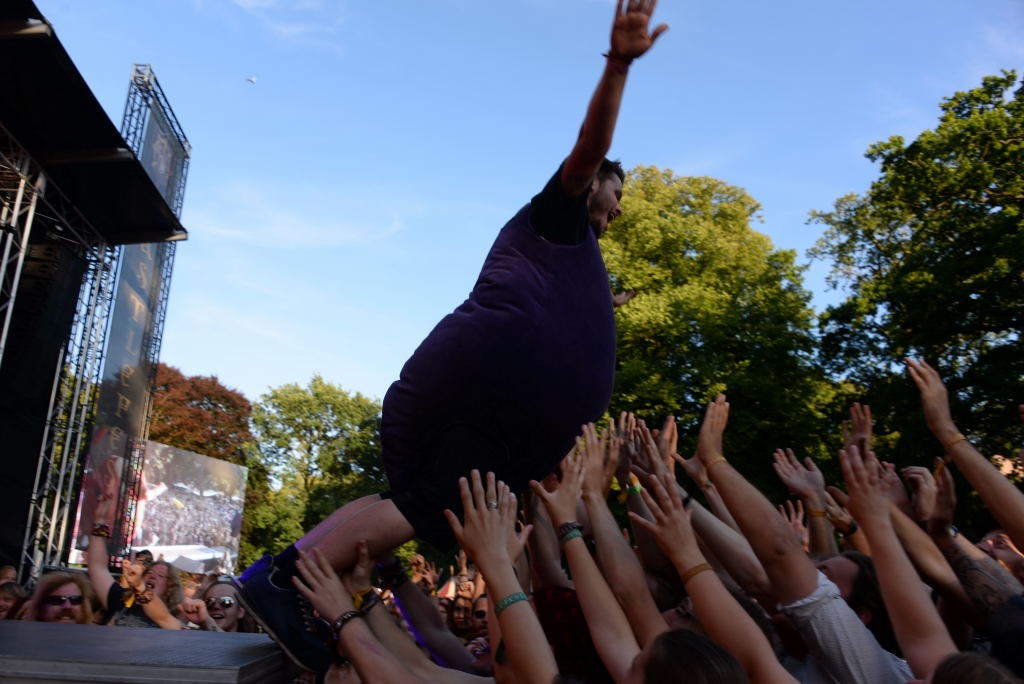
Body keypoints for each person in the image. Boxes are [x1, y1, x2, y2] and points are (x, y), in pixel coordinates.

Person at [235, 0, 668, 674]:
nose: (614, 214)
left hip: (500, 411)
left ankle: (313, 585)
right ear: (592, 187)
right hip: (485, 385)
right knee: (421, 501)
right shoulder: (560, 212)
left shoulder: (570, 259)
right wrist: (618, 65)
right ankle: (287, 578)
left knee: (429, 500)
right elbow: (588, 148)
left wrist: (601, 311)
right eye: (612, 198)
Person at [22, 570, 96, 625]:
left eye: (75, 600)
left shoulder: (95, 642)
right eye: (57, 600)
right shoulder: (25, 641)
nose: (67, 606)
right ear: (40, 607)